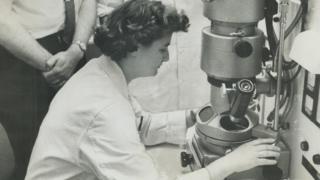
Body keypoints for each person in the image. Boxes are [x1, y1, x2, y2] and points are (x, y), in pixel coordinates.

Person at [26, 0, 281, 179]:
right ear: (136, 46)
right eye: (162, 49)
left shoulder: (100, 72)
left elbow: (141, 127)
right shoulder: (105, 108)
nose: (167, 58)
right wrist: (230, 164)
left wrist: (193, 117)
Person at [0, 0, 96, 179]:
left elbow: (88, 2)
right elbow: (2, 19)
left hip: (73, 49)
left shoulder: (74, 53)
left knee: (78, 146)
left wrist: (77, 49)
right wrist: (51, 66)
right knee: (36, 157)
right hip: (24, 56)